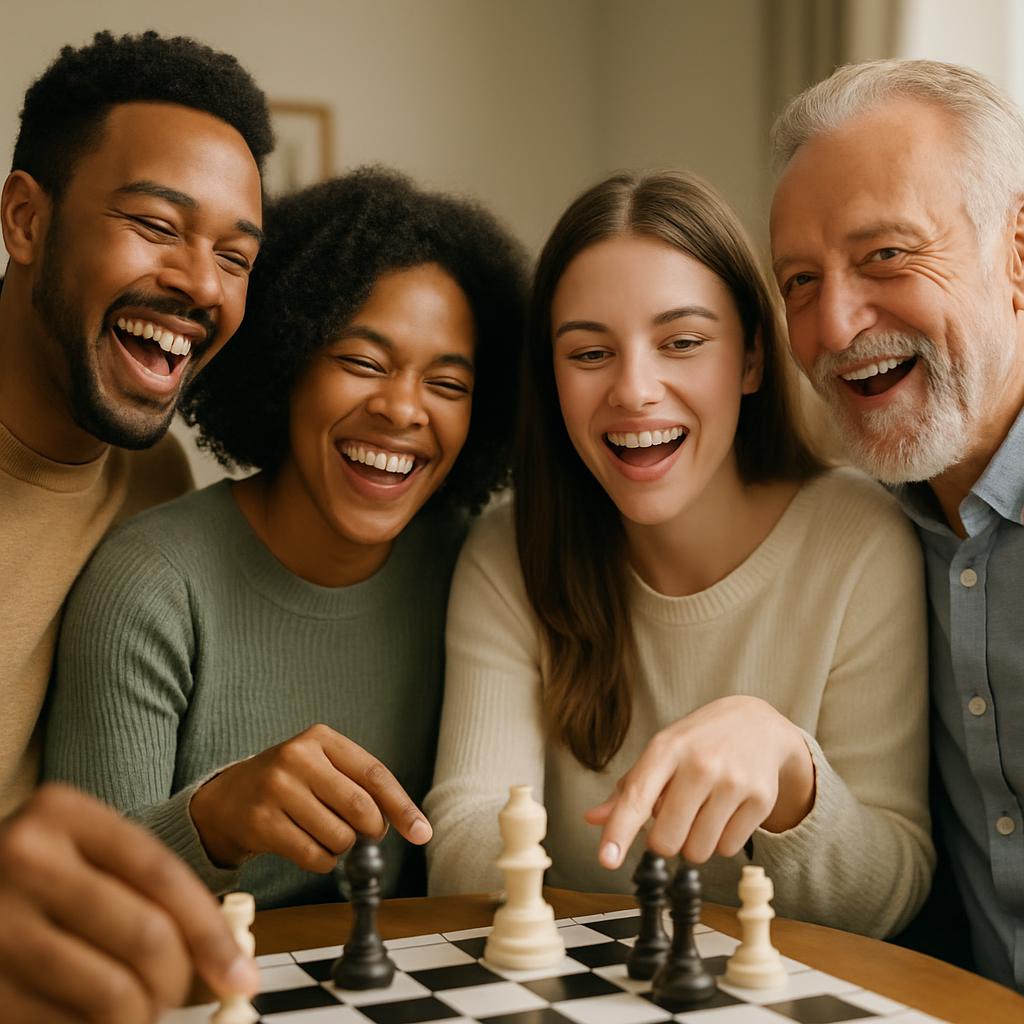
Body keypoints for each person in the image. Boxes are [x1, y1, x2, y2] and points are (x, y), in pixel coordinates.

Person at [426, 170, 934, 939]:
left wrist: (791, 770)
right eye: (590, 353)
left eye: (683, 343)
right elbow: (463, 848)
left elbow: (888, 899)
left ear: (753, 360)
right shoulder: (509, 551)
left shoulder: (859, 540)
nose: (634, 390)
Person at [43, 167, 527, 910]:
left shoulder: (475, 569)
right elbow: (78, 904)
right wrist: (210, 823)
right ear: (288, 361)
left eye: (448, 384)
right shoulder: (151, 584)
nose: (403, 409)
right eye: (363, 362)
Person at [0, 29, 273, 1020]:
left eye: (236, 256)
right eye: (158, 224)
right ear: (27, 219)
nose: (203, 284)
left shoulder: (152, 473)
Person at [769, 59, 1024, 991]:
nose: (834, 325)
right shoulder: (859, 537)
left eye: (886, 256)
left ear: (1018, 254)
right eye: (798, 281)